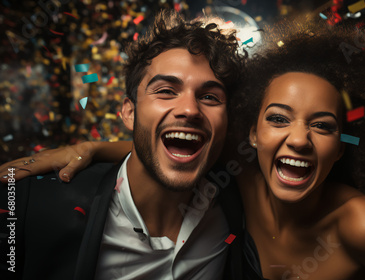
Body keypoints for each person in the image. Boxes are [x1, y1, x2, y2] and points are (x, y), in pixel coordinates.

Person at [1, 18, 365, 280]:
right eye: (278, 119)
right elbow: (172, 148)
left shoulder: (362, 224)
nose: (299, 139)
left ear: (342, 148)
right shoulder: (240, 179)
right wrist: (91, 148)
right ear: (251, 134)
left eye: (322, 126)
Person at [0, 9, 246, 280]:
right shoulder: (28, 204)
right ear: (129, 113)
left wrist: (97, 147)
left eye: (210, 97)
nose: (189, 109)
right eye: (165, 91)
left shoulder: (239, 200)